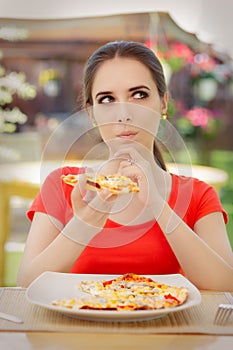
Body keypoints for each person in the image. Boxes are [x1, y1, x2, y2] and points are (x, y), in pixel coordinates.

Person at [17, 41, 233, 290]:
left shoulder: (198, 195)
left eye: (139, 95)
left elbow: (226, 288)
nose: (124, 113)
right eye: (107, 99)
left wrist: (158, 206)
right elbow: (26, 285)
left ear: (163, 103)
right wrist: (83, 225)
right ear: (92, 113)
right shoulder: (62, 185)